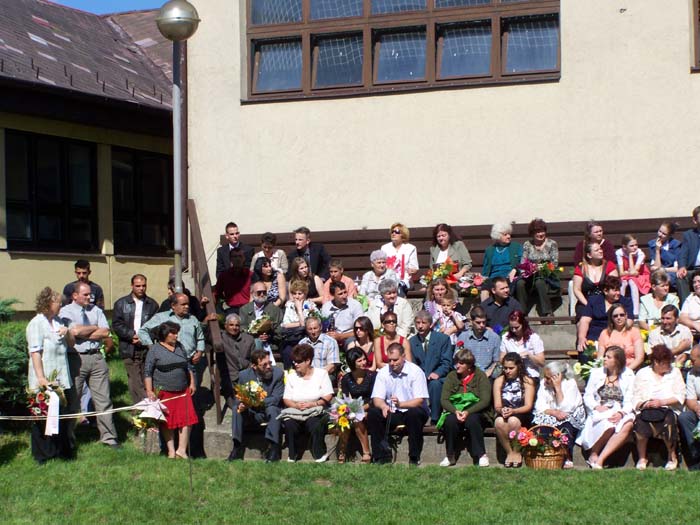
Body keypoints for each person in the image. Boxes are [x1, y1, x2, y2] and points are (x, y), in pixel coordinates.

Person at [139, 293, 209, 458]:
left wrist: (199, 351)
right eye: (183, 304)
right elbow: (148, 369)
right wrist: (152, 348)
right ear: (173, 306)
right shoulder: (161, 319)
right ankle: (170, 450)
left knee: (187, 417)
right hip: (164, 385)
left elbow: (199, 340)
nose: (187, 307)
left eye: (187, 304)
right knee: (168, 419)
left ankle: (182, 450)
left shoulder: (192, 321)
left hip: (185, 375)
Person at [59, 282, 119, 448]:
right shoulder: (66, 312)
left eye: (90, 294)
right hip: (76, 358)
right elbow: (73, 331)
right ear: (75, 295)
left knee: (103, 400)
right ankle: (68, 440)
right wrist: (94, 327)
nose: (89, 297)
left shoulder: (96, 310)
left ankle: (109, 438)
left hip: (97, 357)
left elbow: (105, 332)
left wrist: (83, 332)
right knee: (73, 401)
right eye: (85, 294)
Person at [27, 287, 75, 463]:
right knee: (43, 416)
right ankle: (43, 454)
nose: (61, 305)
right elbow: (35, 353)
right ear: (48, 303)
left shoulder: (59, 321)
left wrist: (67, 332)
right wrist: (41, 378)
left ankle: (61, 450)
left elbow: (72, 344)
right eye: (58, 302)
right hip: (45, 377)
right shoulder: (36, 323)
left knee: (61, 415)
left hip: (61, 376)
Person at [368, 343, 430, 465]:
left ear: (403, 357)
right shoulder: (383, 372)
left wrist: (401, 404)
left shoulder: (415, 371)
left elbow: (419, 400)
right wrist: (383, 406)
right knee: (374, 413)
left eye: (395, 360)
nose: (392, 363)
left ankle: (414, 457)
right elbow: (377, 398)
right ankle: (380, 456)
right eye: (389, 360)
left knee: (414, 414)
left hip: (413, 409)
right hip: (393, 411)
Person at [144, 322, 198, 459]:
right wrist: (149, 391)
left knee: (187, 420)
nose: (176, 336)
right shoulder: (154, 350)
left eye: (176, 333)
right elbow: (148, 372)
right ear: (164, 335)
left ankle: (181, 450)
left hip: (182, 390)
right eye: (173, 333)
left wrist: (192, 383)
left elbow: (188, 366)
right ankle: (171, 451)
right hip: (165, 391)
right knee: (167, 422)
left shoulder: (180, 347)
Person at [577, 346, 635, 469]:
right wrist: (596, 406)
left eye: (608, 357)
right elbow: (588, 395)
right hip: (601, 409)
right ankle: (594, 453)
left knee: (628, 424)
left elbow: (630, 400)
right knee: (609, 425)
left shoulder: (629, 375)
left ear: (617, 361)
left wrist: (621, 413)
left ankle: (600, 459)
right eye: (605, 356)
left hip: (620, 409)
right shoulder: (596, 373)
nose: (604, 359)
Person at [632, 344, 685, 470]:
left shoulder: (675, 373)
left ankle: (672, 456)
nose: (669, 365)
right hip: (647, 408)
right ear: (656, 362)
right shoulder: (642, 373)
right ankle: (642, 457)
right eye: (666, 363)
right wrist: (645, 404)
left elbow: (680, 395)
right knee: (640, 422)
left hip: (668, 408)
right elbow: (635, 397)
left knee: (668, 421)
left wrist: (662, 402)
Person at [228, 349, 284, 463]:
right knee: (236, 409)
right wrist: (242, 404)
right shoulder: (244, 375)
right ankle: (236, 447)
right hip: (251, 412)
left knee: (273, 409)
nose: (269, 367)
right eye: (264, 365)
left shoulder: (278, 374)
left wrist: (256, 402)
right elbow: (239, 397)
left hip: (268, 411)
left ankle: (273, 449)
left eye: (269, 363)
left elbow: (276, 398)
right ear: (254, 366)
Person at [439, 349, 492, 467]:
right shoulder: (451, 376)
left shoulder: (480, 376)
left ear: (469, 365)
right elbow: (444, 400)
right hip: (456, 410)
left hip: (477, 411)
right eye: (456, 362)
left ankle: (481, 454)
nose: (457, 365)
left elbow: (485, 400)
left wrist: (468, 411)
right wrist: (455, 411)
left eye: (461, 363)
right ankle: (450, 455)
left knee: (472, 420)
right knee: (450, 420)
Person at [112, 274, 159, 404]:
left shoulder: (152, 305)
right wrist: (130, 335)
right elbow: (116, 324)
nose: (141, 288)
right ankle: (146, 404)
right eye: (138, 286)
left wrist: (144, 338)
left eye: (143, 286)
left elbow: (156, 326)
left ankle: (138, 407)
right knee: (134, 377)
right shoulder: (121, 304)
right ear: (132, 286)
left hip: (145, 346)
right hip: (128, 346)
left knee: (145, 375)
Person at [282, 344, 334, 462]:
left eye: (298, 362)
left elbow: (328, 395)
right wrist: (295, 405)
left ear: (308, 361)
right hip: (296, 411)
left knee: (314, 424)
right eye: (294, 361)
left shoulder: (321, 374)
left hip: (315, 410)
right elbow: (286, 399)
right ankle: (293, 454)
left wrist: (313, 404)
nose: (295, 364)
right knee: (290, 424)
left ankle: (319, 453)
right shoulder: (291, 377)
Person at [533, 361, 586, 469]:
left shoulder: (570, 383)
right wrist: (553, 412)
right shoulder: (544, 384)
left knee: (565, 426)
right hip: (552, 413)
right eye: (545, 377)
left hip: (571, 415)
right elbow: (539, 407)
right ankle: (547, 454)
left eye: (548, 378)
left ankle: (567, 456)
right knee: (541, 424)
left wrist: (557, 388)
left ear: (558, 376)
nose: (545, 380)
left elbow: (566, 409)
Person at [409, 310, 453, 424]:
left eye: (423, 323)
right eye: (418, 323)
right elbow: (413, 364)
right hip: (420, 377)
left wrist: (437, 373)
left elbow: (447, 362)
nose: (420, 326)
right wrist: (421, 376)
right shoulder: (412, 342)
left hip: (439, 377)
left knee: (435, 384)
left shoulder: (443, 339)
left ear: (430, 324)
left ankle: (434, 418)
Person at [493, 352, 535, 468]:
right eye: (505, 368)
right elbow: (497, 405)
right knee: (499, 422)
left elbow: (528, 406)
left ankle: (517, 451)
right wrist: (501, 410)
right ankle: (509, 452)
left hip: (521, 411)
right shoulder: (499, 381)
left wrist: (514, 411)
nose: (508, 371)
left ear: (518, 367)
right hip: (505, 411)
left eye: (511, 368)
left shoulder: (527, 381)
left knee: (513, 421)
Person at [515, 218, 561, 318]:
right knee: (520, 283)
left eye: (542, 231)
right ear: (532, 233)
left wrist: (543, 268)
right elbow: (523, 262)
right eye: (537, 232)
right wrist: (526, 270)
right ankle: (522, 313)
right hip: (530, 275)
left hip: (547, 276)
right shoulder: (527, 244)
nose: (541, 234)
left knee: (539, 282)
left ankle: (547, 313)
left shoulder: (552, 244)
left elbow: (554, 264)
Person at [338, 348, 376, 464]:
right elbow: (346, 398)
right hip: (354, 407)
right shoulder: (346, 379)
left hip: (370, 407)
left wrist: (362, 409)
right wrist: (350, 410)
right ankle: (342, 450)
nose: (363, 362)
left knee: (357, 419)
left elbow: (375, 398)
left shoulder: (373, 376)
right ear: (352, 363)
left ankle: (366, 452)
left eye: (364, 359)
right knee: (343, 419)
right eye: (359, 361)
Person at [576, 275, 633, 352]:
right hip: (594, 336)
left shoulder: (625, 302)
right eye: (615, 290)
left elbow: (629, 321)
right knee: (585, 353)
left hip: (616, 335)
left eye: (619, 290)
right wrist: (582, 337)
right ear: (605, 291)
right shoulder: (594, 300)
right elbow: (585, 320)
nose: (618, 293)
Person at [239, 282, 283, 363]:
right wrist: (254, 335)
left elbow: (280, 330)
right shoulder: (244, 309)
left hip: (270, 343)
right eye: (259, 292)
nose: (262, 294)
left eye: (264, 292)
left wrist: (269, 336)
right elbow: (242, 328)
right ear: (252, 293)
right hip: (250, 344)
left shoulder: (275, 310)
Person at [572, 242, 618, 317]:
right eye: (597, 250)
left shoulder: (609, 266)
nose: (600, 251)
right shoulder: (580, 269)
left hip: (607, 302)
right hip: (585, 303)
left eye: (600, 249)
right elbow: (577, 290)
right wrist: (588, 305)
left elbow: (614, 286)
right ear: (589, 255)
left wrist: (607, 304)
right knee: (584, 318)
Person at [455, 306, 501, 377]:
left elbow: (496, 361)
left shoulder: (494, 338)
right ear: (471, 321)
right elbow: (457, 359)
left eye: (484, 322)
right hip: (467, 373)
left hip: (487, 374)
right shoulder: (463, 337)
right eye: (478, 322)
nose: (482, 325)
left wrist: (489, 372)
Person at [218, 313, 256, 401]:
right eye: (231, 325)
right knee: (236, 402)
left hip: (247, 373)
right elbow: (207, 335)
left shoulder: (249, 339)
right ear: (225, 326)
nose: (234, 328)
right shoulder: (221, 338)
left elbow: (254, 357)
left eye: (237, 325)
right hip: (230, 375)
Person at [481, 223, 522, 301]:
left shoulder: (516, 246)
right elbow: (486, 269)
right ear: (498, 236)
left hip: (509, 277)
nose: (509, 236)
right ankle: (484, 308)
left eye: (509, 234)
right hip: (493, 278)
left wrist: (515, 269)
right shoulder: (490, 250)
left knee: (506, 286)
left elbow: (522, 262)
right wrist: (482, 279)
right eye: (505, 234)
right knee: (484, 289)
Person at [597, 303, 644, 371]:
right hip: (609, 371)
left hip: (630, 370)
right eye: (615, 316)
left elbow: (639, 358)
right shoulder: (604, 333)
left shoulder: (634, 332)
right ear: (611, 318)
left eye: (622, 315)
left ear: (626, 316)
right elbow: (600, 359)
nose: (619, 318)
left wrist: (625, 372)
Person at [499, 310, 545, 379]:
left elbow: (542, 362)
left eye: (517, 327)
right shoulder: (505, 338)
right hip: (511, 375)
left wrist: (529, 355)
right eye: (511, 327)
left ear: (523, 324)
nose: (514, 330)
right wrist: (512, 358)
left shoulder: (534, 338)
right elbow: (501, 359)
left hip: (530, 374)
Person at [615, 234, 651, 316]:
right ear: (624, 247)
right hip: (626, 276)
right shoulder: (619, 253)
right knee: (623, 283)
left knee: (632, 281)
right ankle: (620, 307)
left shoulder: (640, 254)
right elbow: (621, 273)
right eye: (631, 246)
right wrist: (628, 273)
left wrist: (630, 256)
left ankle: (635, 311)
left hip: (641, 275)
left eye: (636, 245)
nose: (635, 247)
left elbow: (634, 272)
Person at [298, 317, 341, 384]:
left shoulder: (330, 342)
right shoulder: (302, 343)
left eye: (315, 328)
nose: (313, 332)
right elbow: (298, 363)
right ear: (306, 330)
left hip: (324, 375)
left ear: (320, 327)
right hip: (305, 376)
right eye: (310, 329)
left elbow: (332, 366)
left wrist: (315, 376)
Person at [320, 281, 364, 346]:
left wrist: (341, 336)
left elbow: (360, 329)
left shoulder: (355, 305)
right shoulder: (326, 307)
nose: (344, 296)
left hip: (350, 337)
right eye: (340, 294)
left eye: (345, 292)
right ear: (333, 295)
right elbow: (323, 329)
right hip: (332, 338)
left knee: (352, 344)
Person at [382, 222, 419, 295]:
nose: (393, 233)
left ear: (403, 234)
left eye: (397, 231)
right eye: (392, 231)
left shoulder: (410, 248)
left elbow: (414, 268)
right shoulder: (385, 248)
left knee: (399, 287)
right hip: (388, 279)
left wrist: (411, 270)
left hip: (404, 280)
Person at [678, 345, 700, 470]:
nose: (690, 363)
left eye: (693, 360)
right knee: (684, 417)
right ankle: (696, 456)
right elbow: (690, 399)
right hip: (698, 410)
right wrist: (697, 409)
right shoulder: (692, 374)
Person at [214, 248, 253, 314]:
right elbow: (217, 293)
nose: (237, 259)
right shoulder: (224, 276)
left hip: (248, 308)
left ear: (244, 258)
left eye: (240, 256)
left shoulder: (251, 275)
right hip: (230, 309)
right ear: (230, 259)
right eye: (234, 256)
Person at [677, 206, 700, 304]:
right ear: (695, 220)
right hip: (693, 269)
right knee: (681, 277)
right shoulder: (689, 235)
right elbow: (683, 254)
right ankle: (686, 306)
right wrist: (682, 266)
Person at [648, 221, 681, 288]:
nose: (660, 235)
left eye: (664, 234)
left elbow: (677, 268)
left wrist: (664, 269)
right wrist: (657, 250)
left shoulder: (676, 245)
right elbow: (655, 267)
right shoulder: (652, 244)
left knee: (665, 278)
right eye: (660, 231)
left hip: (671, 273)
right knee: (658, 277)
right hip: (658, 274)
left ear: (669, 235)